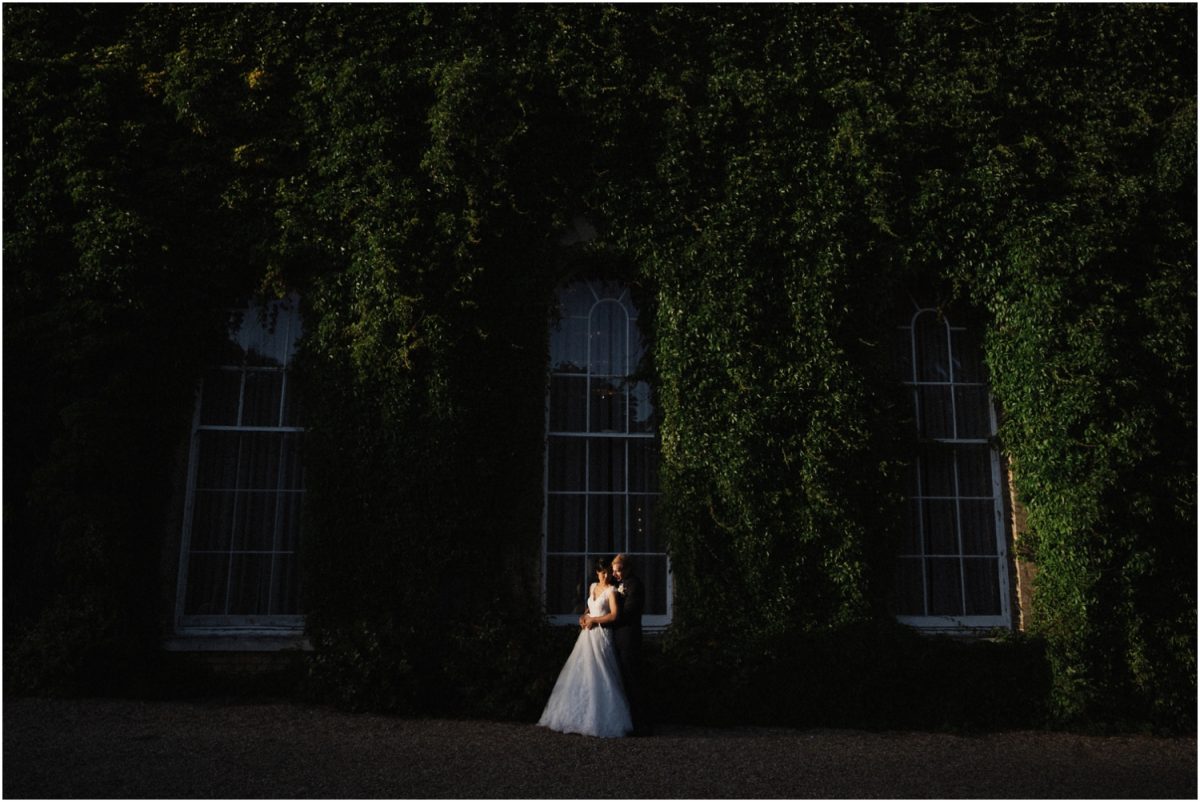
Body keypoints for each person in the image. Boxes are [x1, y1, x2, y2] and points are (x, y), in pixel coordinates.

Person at [537, 557, 633, 738]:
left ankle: (601, 719)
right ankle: (574, 717)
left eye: (607, 572)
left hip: (601, 634)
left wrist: (594, 621)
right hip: (587, 636)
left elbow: (614, 615)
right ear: (597, 572)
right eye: (602, 572)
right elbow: (590, 609)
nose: (605, 576)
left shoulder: (612, 591)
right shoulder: (592, 587)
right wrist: (584, 617)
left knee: (602, 672)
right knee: (581, 673)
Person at [607, 552, 651, 735]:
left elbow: (627, 613)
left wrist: (604, 620)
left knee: (633, 681)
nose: (615, 574)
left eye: (619, 570)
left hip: (629, 639)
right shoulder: (618, 584)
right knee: (622, 681)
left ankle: (641, 725)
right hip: (617, 638)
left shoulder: (635, 585)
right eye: (614, 570)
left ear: (628, 568)